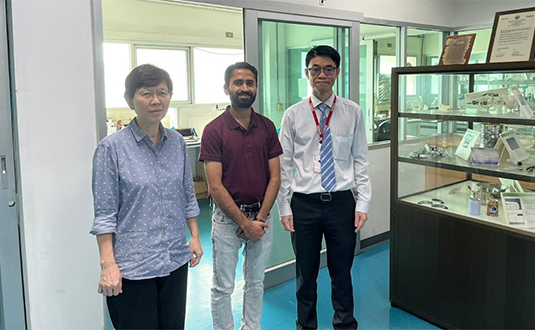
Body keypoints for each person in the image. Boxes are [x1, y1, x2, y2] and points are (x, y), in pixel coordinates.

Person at [90, 64, 203, 329]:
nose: (156, 100)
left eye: (162, 92)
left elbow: (187, 194)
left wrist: (195, 236)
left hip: (174, 260)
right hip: (133, 267)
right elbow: (105, 214)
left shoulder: (176, 143)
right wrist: (108, 265)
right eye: (146, 93)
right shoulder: (111, 149)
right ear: (130, 101)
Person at [277, 45, 371, 330]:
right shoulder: (293, 115)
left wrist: (362, 204)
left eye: (328, 69)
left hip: (342, 202)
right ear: (307, 73)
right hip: (304, 204)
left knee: (341, 272)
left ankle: (344, 324)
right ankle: (306, 326)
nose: (321, 74)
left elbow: (361, 161)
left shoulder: (352, 112)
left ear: (337, 73)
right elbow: (283, 165)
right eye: (315, 69)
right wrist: (284, 206)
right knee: (306, 274)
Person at [199, 62, 282, 330]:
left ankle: (252, 327)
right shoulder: (213, 130)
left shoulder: (267, 127)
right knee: (223, 286)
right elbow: (215, 186)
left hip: (262, 218)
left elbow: (276, 177)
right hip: (227, 222)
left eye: (250, 83)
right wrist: (244, 224)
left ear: (256, 88)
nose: (244, 88)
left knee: (256, 282)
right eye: (238, 83)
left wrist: (258, 219)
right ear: (227, 88)